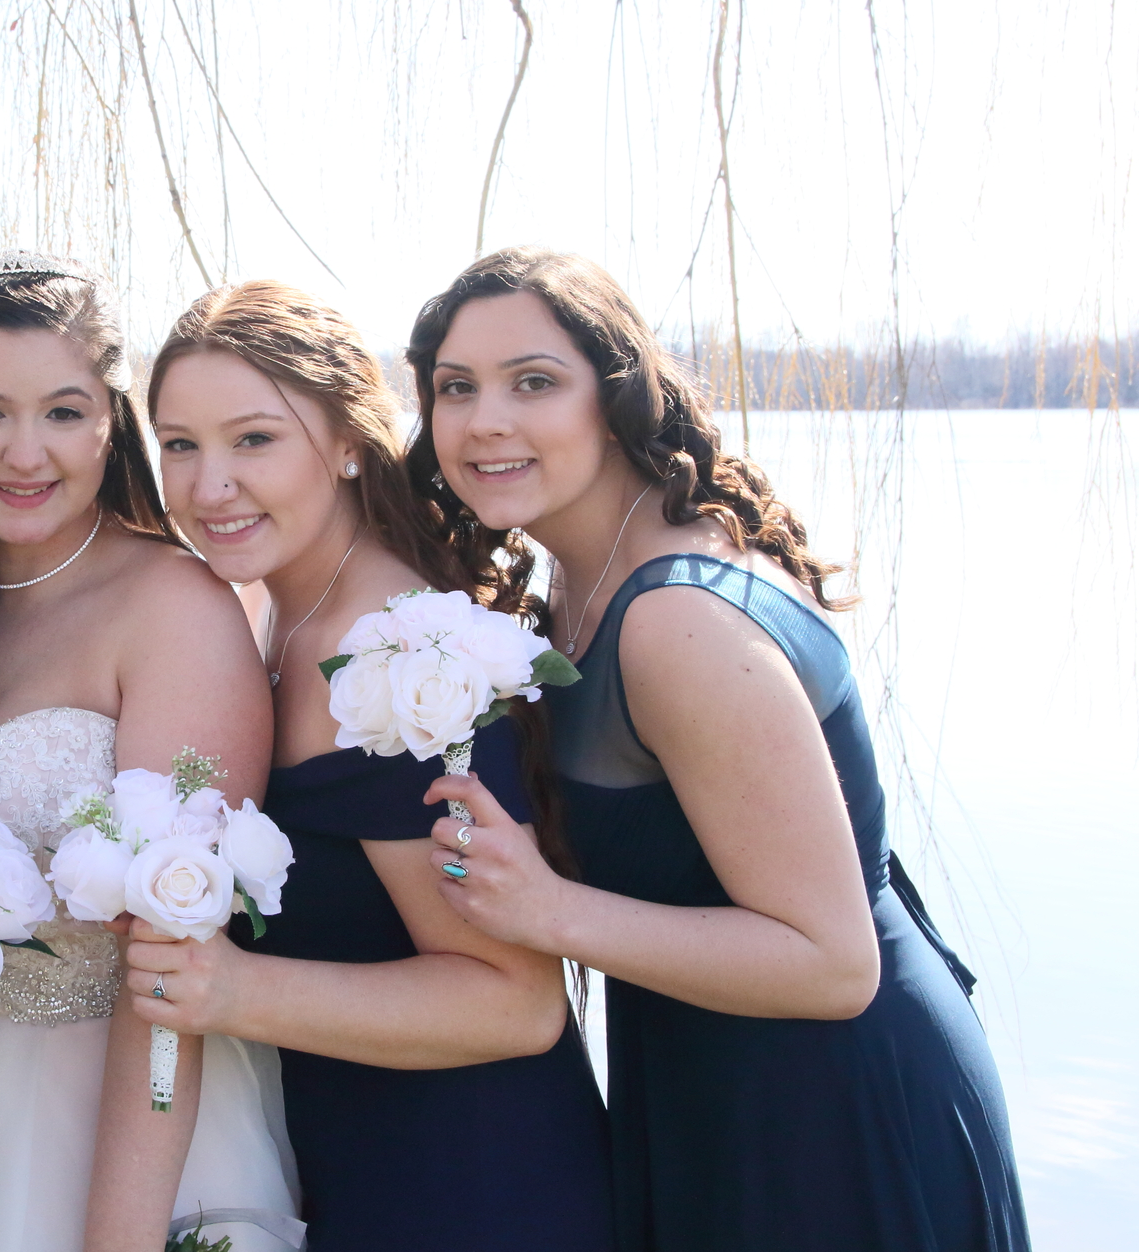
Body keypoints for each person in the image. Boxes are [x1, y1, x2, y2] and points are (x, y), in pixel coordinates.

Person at [410, 246, 1030, 1251]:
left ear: (613, 401)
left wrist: (545, 909)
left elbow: (832, 963)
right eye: (454, 388)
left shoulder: (674, 623)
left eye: (532, 382)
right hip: (711, 1073)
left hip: (825, 1107)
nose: (484, 419)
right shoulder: (576, 585)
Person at [128, 281, 615, 1251]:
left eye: (252, 439)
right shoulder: (277, 613)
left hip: (473, 1189)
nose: (206, 484)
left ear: (350, 440)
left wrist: (228, 990)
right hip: (353, 1161)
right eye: (178, 444)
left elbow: (512, 999)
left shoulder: (396, 654)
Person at [0, 252, 299, 1252]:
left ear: (107, 422)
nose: (23, 454)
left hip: (109, 1126)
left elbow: (174, 953)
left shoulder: (174, 610)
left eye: (62, 411)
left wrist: (115, 1238)